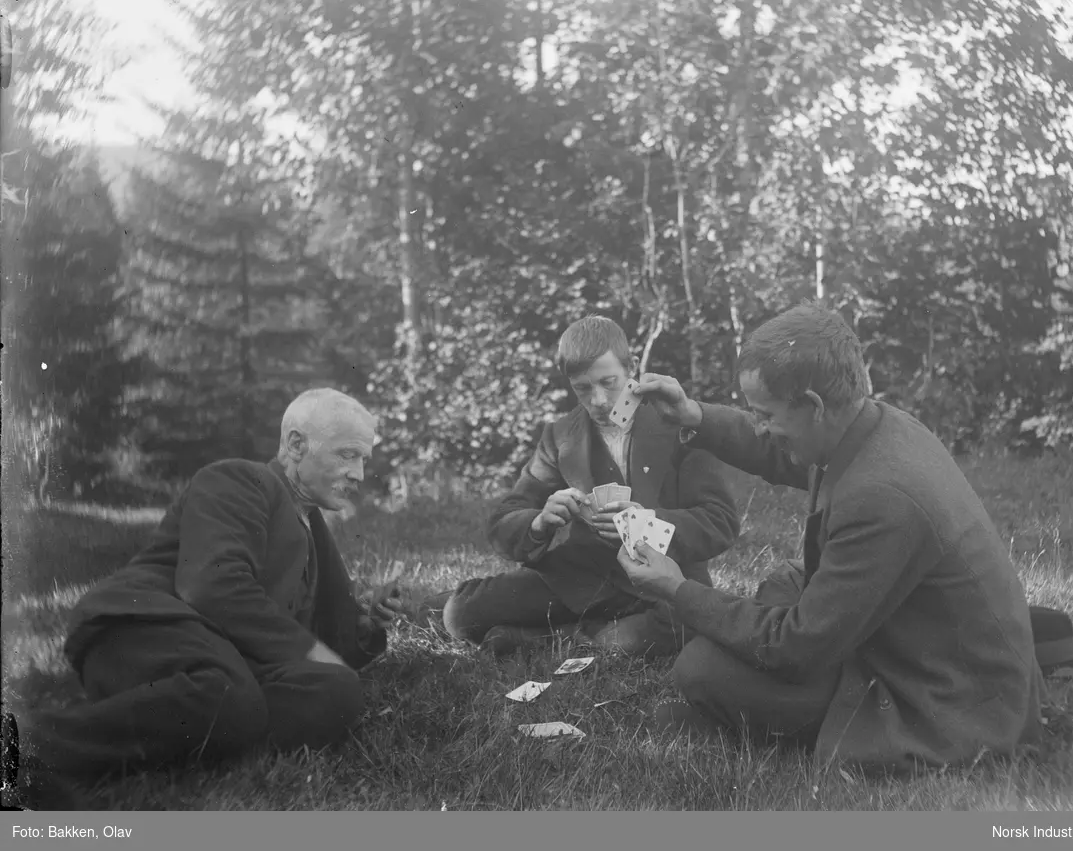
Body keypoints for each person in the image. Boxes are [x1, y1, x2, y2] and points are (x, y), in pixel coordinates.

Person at [617, 302, 1044, 774]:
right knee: (782, 586)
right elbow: (779, 449)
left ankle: (802, 725)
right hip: (924, 642)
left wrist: (676, 589)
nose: (758, 425)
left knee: (700, 668)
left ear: (815, 406)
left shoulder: (881, 496)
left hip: (946, 700)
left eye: (764, 413)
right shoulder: (876, 425)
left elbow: (796, 649)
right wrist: (691, 414)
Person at [5, 388, 404, 809]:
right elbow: (212, 586)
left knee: (337, 692)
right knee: (231, 695)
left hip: (222, 660)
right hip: (141, 629)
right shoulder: (240, 478)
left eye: (363, 459)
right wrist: (310, 652)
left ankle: (203, 725)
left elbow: (310, 642)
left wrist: (365, 624)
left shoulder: (314, 529)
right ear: (296, 445)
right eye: (347, 454)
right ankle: (28, 746)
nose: (359, 474)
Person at [431, 316, 741, 658]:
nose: (598, 400)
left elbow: (720, 521)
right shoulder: (561, 436)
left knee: (670, 629)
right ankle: (578, 636)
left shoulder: (679, 424)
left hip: (664, 582)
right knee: (460, 613)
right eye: (582, 388)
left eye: (609, 382)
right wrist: (539, 521)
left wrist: (646, 522)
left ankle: (552, 638)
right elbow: (505, 520)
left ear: (632, 368)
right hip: (580, 579)